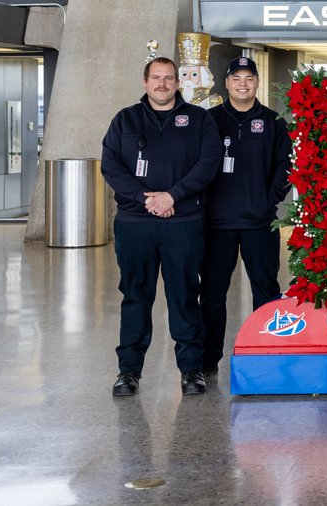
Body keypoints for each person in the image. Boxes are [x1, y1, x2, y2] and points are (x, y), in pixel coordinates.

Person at [101, 56, 220, 397]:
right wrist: (145, 198)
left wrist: (173, 196)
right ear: (145, 82)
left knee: (184, 296)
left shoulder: (199, 120)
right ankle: (128, 371)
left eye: (169, 78)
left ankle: (191, 369)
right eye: (156, 78)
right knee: (136, 297)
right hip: (134, 223)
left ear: (178, 83)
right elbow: (111, 166)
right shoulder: (125, 120)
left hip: (183, 222)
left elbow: (208, 164)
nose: (163, 84)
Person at [199, 56, 292, 375]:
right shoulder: (208, 120)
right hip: (216, 223)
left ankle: (267, 351)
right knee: (211, 293)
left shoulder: (273, 121)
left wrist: (269, 200)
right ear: (225, 83)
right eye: (236, 78)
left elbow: (285, 165)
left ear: (256, 82)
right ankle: (208, 359)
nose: (242, 83)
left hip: (259, 221)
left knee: (265, 289)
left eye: (249, 78)